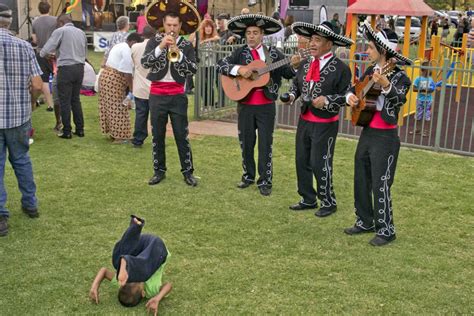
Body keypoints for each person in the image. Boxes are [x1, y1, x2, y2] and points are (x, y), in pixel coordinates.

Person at [345, 22, 412, 246]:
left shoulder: (401, 77)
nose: (367, 51)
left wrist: (385, 85)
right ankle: (365, 220)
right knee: (361, 177)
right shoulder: (369, 71)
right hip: (367, 132)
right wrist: (351, 98)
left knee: (380, 183)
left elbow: (398, 99)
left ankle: (387, 229)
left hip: (386, 137)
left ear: (383, 51)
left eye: (371, 48)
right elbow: (353, 89)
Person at [217, 14, 300, 196]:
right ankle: (248, 176)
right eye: (248, 33)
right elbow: (221, 65)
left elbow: (287, 73)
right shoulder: (239, 53)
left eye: (255, 32)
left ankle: (265, 180)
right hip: (246, 105)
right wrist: (240, 70)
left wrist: (294, 65)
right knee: (246, 143)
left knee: (265, 144)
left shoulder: (273, 54)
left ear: (262, 34)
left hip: (266, 106)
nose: (251, 36)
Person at [284, 21, 353, 216]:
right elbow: (296, 86)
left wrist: (328, 100)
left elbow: (348, 96)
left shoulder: (341, 68)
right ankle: (307, 198)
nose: (311, 43)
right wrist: (290, 96)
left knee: (319, 162)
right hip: (305, 120)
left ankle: (328, 202)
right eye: (311, 39)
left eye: (317, 40)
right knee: (301, 160)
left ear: (329, 44)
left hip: (325, 124)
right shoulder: (305, 64)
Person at [141, 11, 199, 187]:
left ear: (180, 26)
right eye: (169, 25)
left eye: (175, 25)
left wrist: (178, 53)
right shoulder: (153, 42)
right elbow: (145, 62)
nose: (172, 29)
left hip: (177, 96)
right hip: (157, 95)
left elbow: (193, 69)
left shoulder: (186, 45)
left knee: (182, 135)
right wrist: (160, 47)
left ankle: (188, 172)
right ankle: (159, 171)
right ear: (163, 25)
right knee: (157, 135)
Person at [0, 4, 42, 237]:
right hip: (18, 116)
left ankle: (1, 215)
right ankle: (30, 204)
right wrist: (32, 101)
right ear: (9, 21)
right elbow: (37, 84)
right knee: (22, 161)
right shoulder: (24, 46)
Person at [89, 215, 172, 315]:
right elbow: (168, 285)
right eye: (135, 279)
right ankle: (126, 260)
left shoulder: (121, 280)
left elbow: (104, 271)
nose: (131, 277)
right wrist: (158, 298)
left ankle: (135, 227)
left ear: (122, 285)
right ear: (143, 293)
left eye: (129, 278)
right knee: (143, 272)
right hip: (157, 250)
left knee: (117, 263)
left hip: (140, 243)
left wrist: (94, 286)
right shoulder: (151, 290)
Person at [41, 14, 88, 139]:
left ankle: (66, 130)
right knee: (75, 100)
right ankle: (80, 129)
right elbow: (85, 52)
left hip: (66, 68)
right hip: (79, 67)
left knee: (64, 101)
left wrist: (47, 55)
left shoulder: (60, 31)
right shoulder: (81, 32)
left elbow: (45, 51)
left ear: (60, 22)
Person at [99, 32, 143, 144]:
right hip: (114, 79)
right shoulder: (127, 50)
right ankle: (120, 137)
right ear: (133, 42)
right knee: (118, 107)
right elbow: (127, 73)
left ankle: (114, 134)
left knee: (109, 107)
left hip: (106, 77)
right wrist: (132, 89)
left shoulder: (119, 45)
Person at [131, 25, 154, 148]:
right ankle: (157, 138)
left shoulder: (135, 47)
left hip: (140, 86)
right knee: (156, 116)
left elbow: (132, 63)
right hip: (154, 86)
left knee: (141, 114)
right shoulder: (157, 48)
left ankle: (138, 139)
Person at [31, 1, 57, 112]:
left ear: (39, 9)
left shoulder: (35, 22)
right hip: (55, 53)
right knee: (57, 78)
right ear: (49, 9)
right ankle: (57, 102)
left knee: (44, 80)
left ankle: (50, 105)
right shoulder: (56, 20)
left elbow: (35, 40)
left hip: (41, 53)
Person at [189, 19, 220, 107]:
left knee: (210, 85)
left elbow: (217, 38)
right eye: (206, 27)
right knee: (202, 86)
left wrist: (206, 41)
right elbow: (191, 43)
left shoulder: (214, 38)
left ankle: (211, 104)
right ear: (203, 28)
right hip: (201, 65)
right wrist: (194, 32)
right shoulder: (199, 37)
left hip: (211, 65)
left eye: (210, 27)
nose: (208, 29)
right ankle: (206, 104)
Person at [411, 61, 435, 136]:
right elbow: (414, 89)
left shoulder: (431, 79)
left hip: (428, 100)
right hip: (420, 100)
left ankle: (426, 131)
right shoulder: (418, 79)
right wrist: (422, 90)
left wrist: (430, 90)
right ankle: (417, 129)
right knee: (418, 115)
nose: (430, 71)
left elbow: (433, 88)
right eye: (429, 69)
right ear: (424, 70)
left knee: (427, 116)